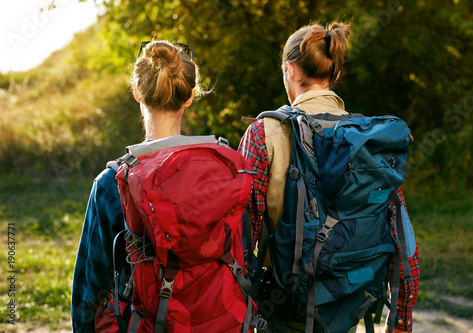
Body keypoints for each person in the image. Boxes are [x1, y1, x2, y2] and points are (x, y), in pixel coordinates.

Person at [238, 22, 420, 332]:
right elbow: (405, 246)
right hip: (350, 308)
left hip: (284, 312)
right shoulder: (371, 140)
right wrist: (400, 322)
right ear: (333, 74)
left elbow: (239, 244)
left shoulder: (264, 133)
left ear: (291, 70)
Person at [71, 40, 207, 332]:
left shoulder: (112, 182)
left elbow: (90, 290)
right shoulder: (221, 174)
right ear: (190, 97)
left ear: (137, 92)